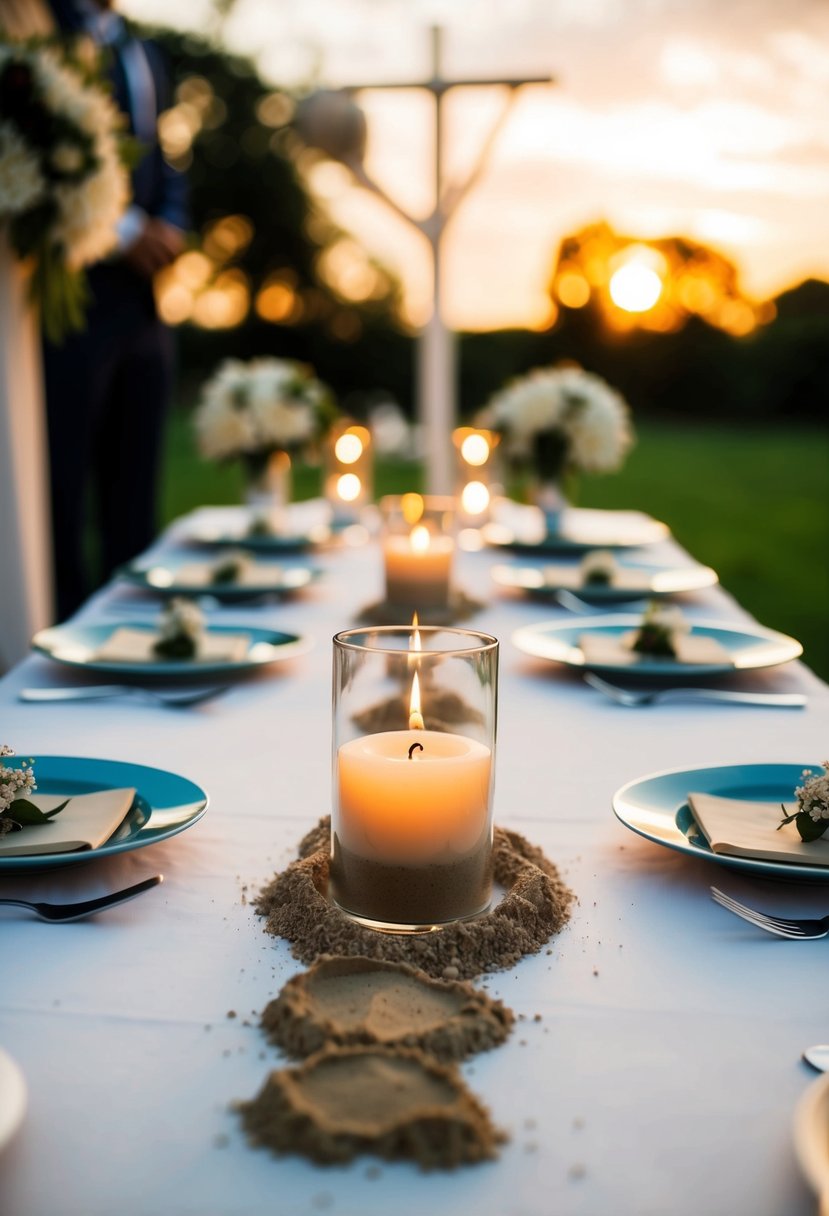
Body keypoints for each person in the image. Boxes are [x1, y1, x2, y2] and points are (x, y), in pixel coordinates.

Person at [43, 0, 188, 619]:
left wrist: (172, 226)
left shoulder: (143, 48)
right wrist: (125, 231)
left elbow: (167, 154)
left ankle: (136, 631)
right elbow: (41, 144)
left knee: (136, 492)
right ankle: (65, 633)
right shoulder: (39, 29)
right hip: (72, 297)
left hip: (146, 306)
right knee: (62, 492)